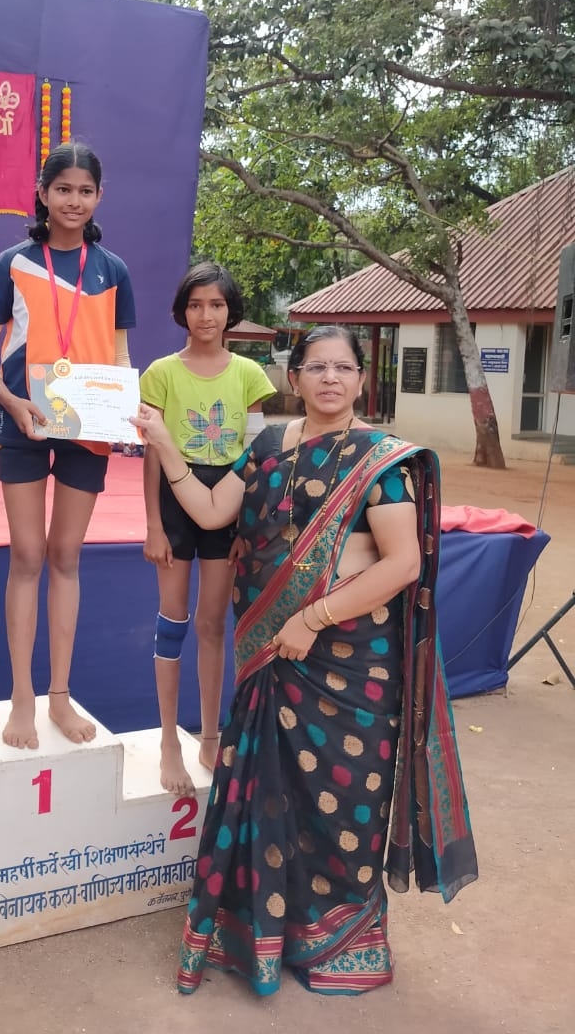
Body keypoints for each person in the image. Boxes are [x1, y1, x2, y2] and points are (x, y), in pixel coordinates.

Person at [133, 325, 478, 998]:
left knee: (343, 799)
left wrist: (311, 618)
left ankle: (342, 939)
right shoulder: (266, 447)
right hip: (273, 656)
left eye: (343, 368)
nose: (330, 379)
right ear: (292, 378)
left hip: (350, 662)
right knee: (272, 793)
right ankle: (267, 931)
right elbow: (211, 512)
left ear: (361, 380)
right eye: (316, 367)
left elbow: (403, 564)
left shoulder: (381, 461)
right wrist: (166, 444)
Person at [0, 142, 136, 750]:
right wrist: (10, 401)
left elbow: (119, 355)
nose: (73, 200)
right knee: (27, 556)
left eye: (85, 190)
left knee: (66, 556)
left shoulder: (112, 269)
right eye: (62, 189)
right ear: (42, 193)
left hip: (87, 429)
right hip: (25, 422)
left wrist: (121, 408)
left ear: (99, 196)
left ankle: (59, 696)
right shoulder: (12, 263)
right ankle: (22, 696)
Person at [140, 263, 275, 795]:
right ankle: (168, 740)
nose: (206, 315)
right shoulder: (160, 373)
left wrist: (246, 525)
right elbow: (153, 454)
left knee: (212, 624)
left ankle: (211, 735)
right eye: (196, 305)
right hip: (175, 498)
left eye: (216, 305)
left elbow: (258, 455)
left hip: (231, 498)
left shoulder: (249, 374)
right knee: (172, 620)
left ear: (230, 311)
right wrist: (153, 525)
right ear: (182, 311)